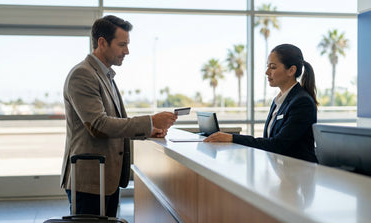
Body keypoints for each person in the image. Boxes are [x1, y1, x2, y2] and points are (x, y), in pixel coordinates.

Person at [60, 15, 178, 217]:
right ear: (102, 43)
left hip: (106, 179)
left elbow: (116, 122)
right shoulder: (83, 74)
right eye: (122, 44)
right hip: (89, 180)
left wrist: (149, 130)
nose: (127, 51)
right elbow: (98, 125)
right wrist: (150, 121)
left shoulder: (105, 75)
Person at [204, 43, 318, 163]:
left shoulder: (302, 102)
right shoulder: (278, 101)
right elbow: (269, 141)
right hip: (282, 171)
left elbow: (278, 144)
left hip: (300, 174)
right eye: (267, 66)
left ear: (291, 70)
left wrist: (232, 138)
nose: (267, 72)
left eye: (273, 67)